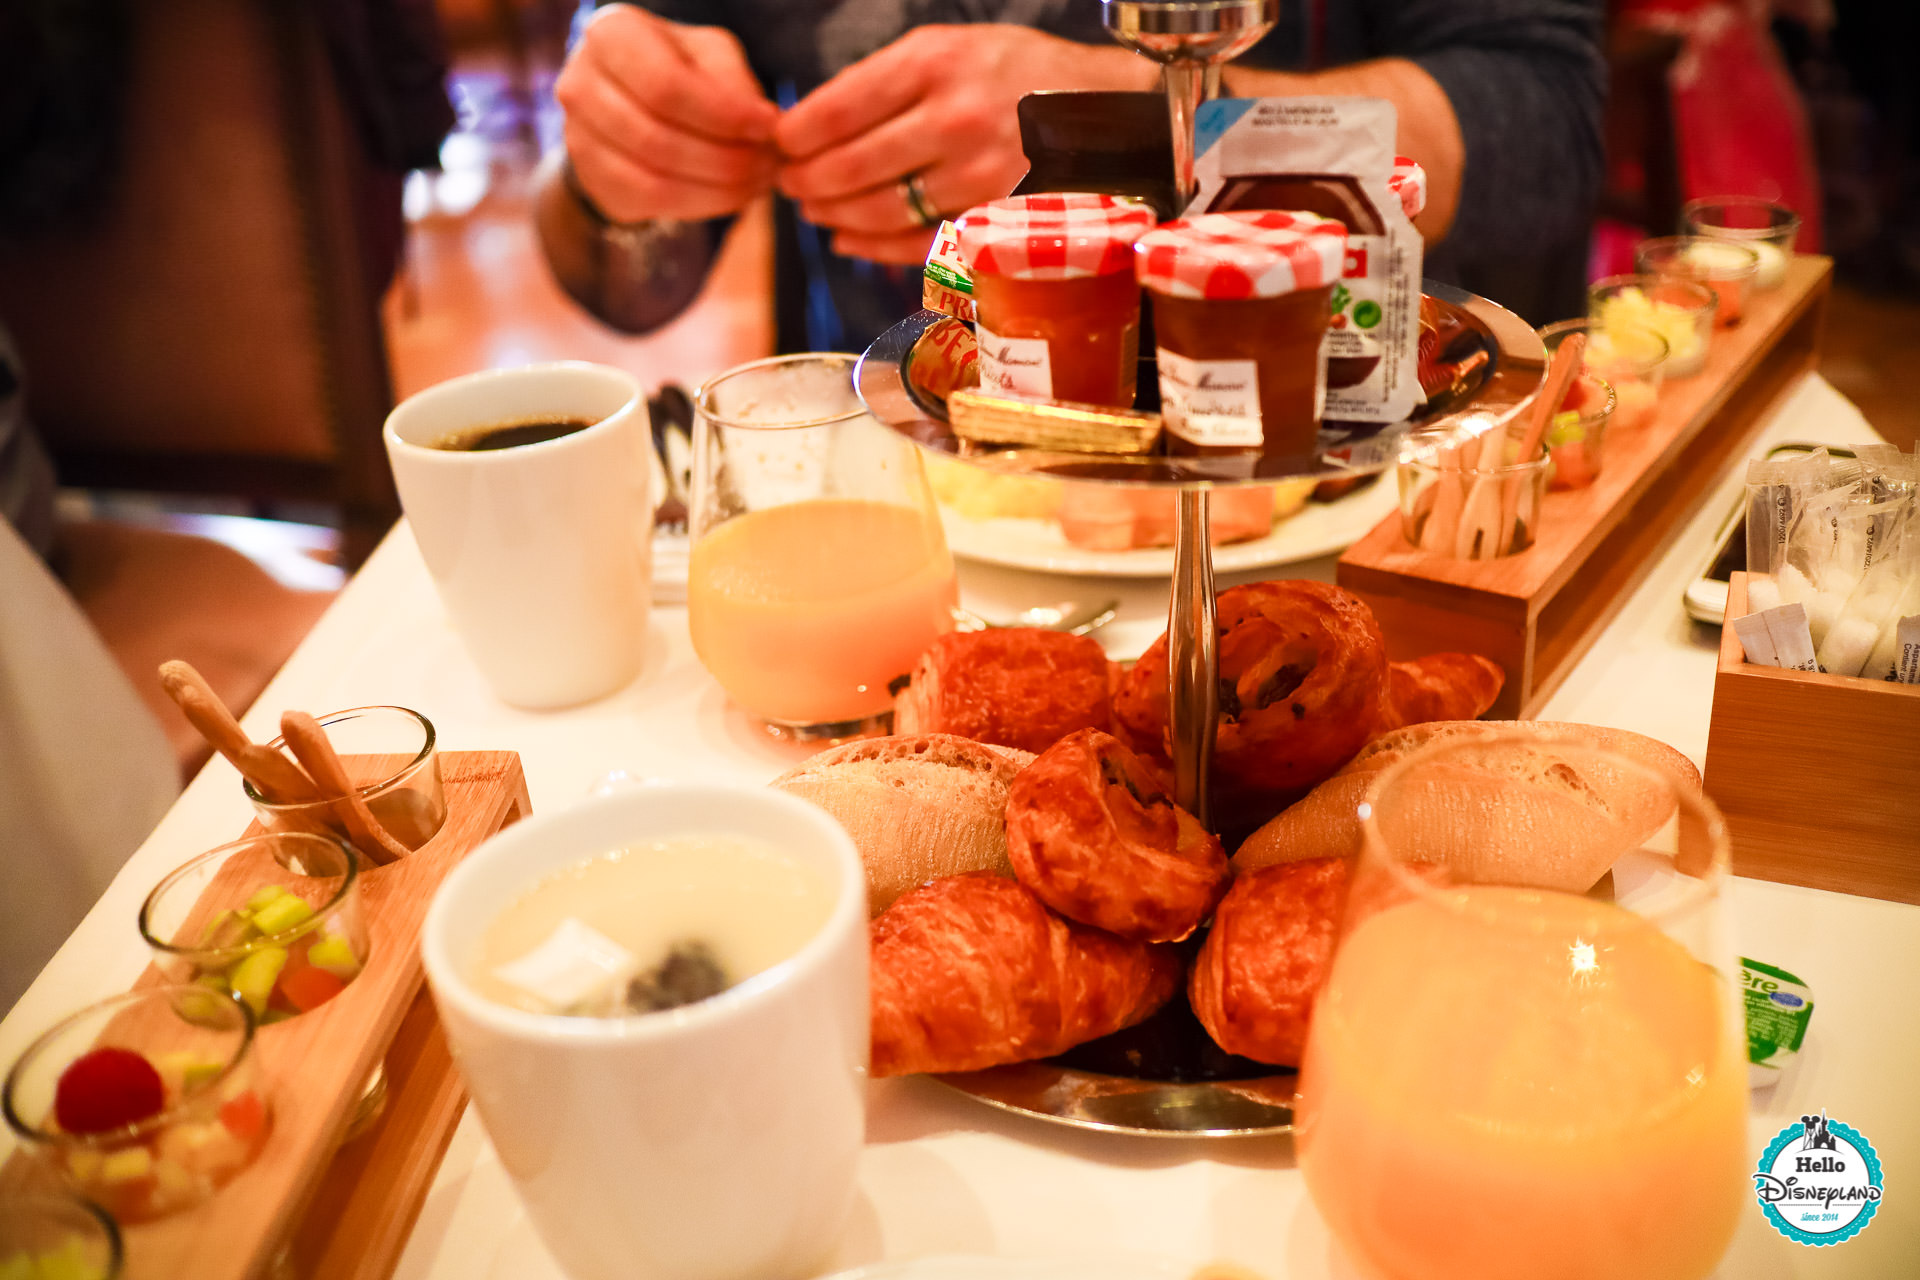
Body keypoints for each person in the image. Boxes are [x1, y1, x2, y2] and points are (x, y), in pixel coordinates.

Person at [539, 1, 1604, 347]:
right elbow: (631, 287)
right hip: (905, 514)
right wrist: (614, 176)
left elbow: (1544, 124)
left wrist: (1140, 123)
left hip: (1339, 473)